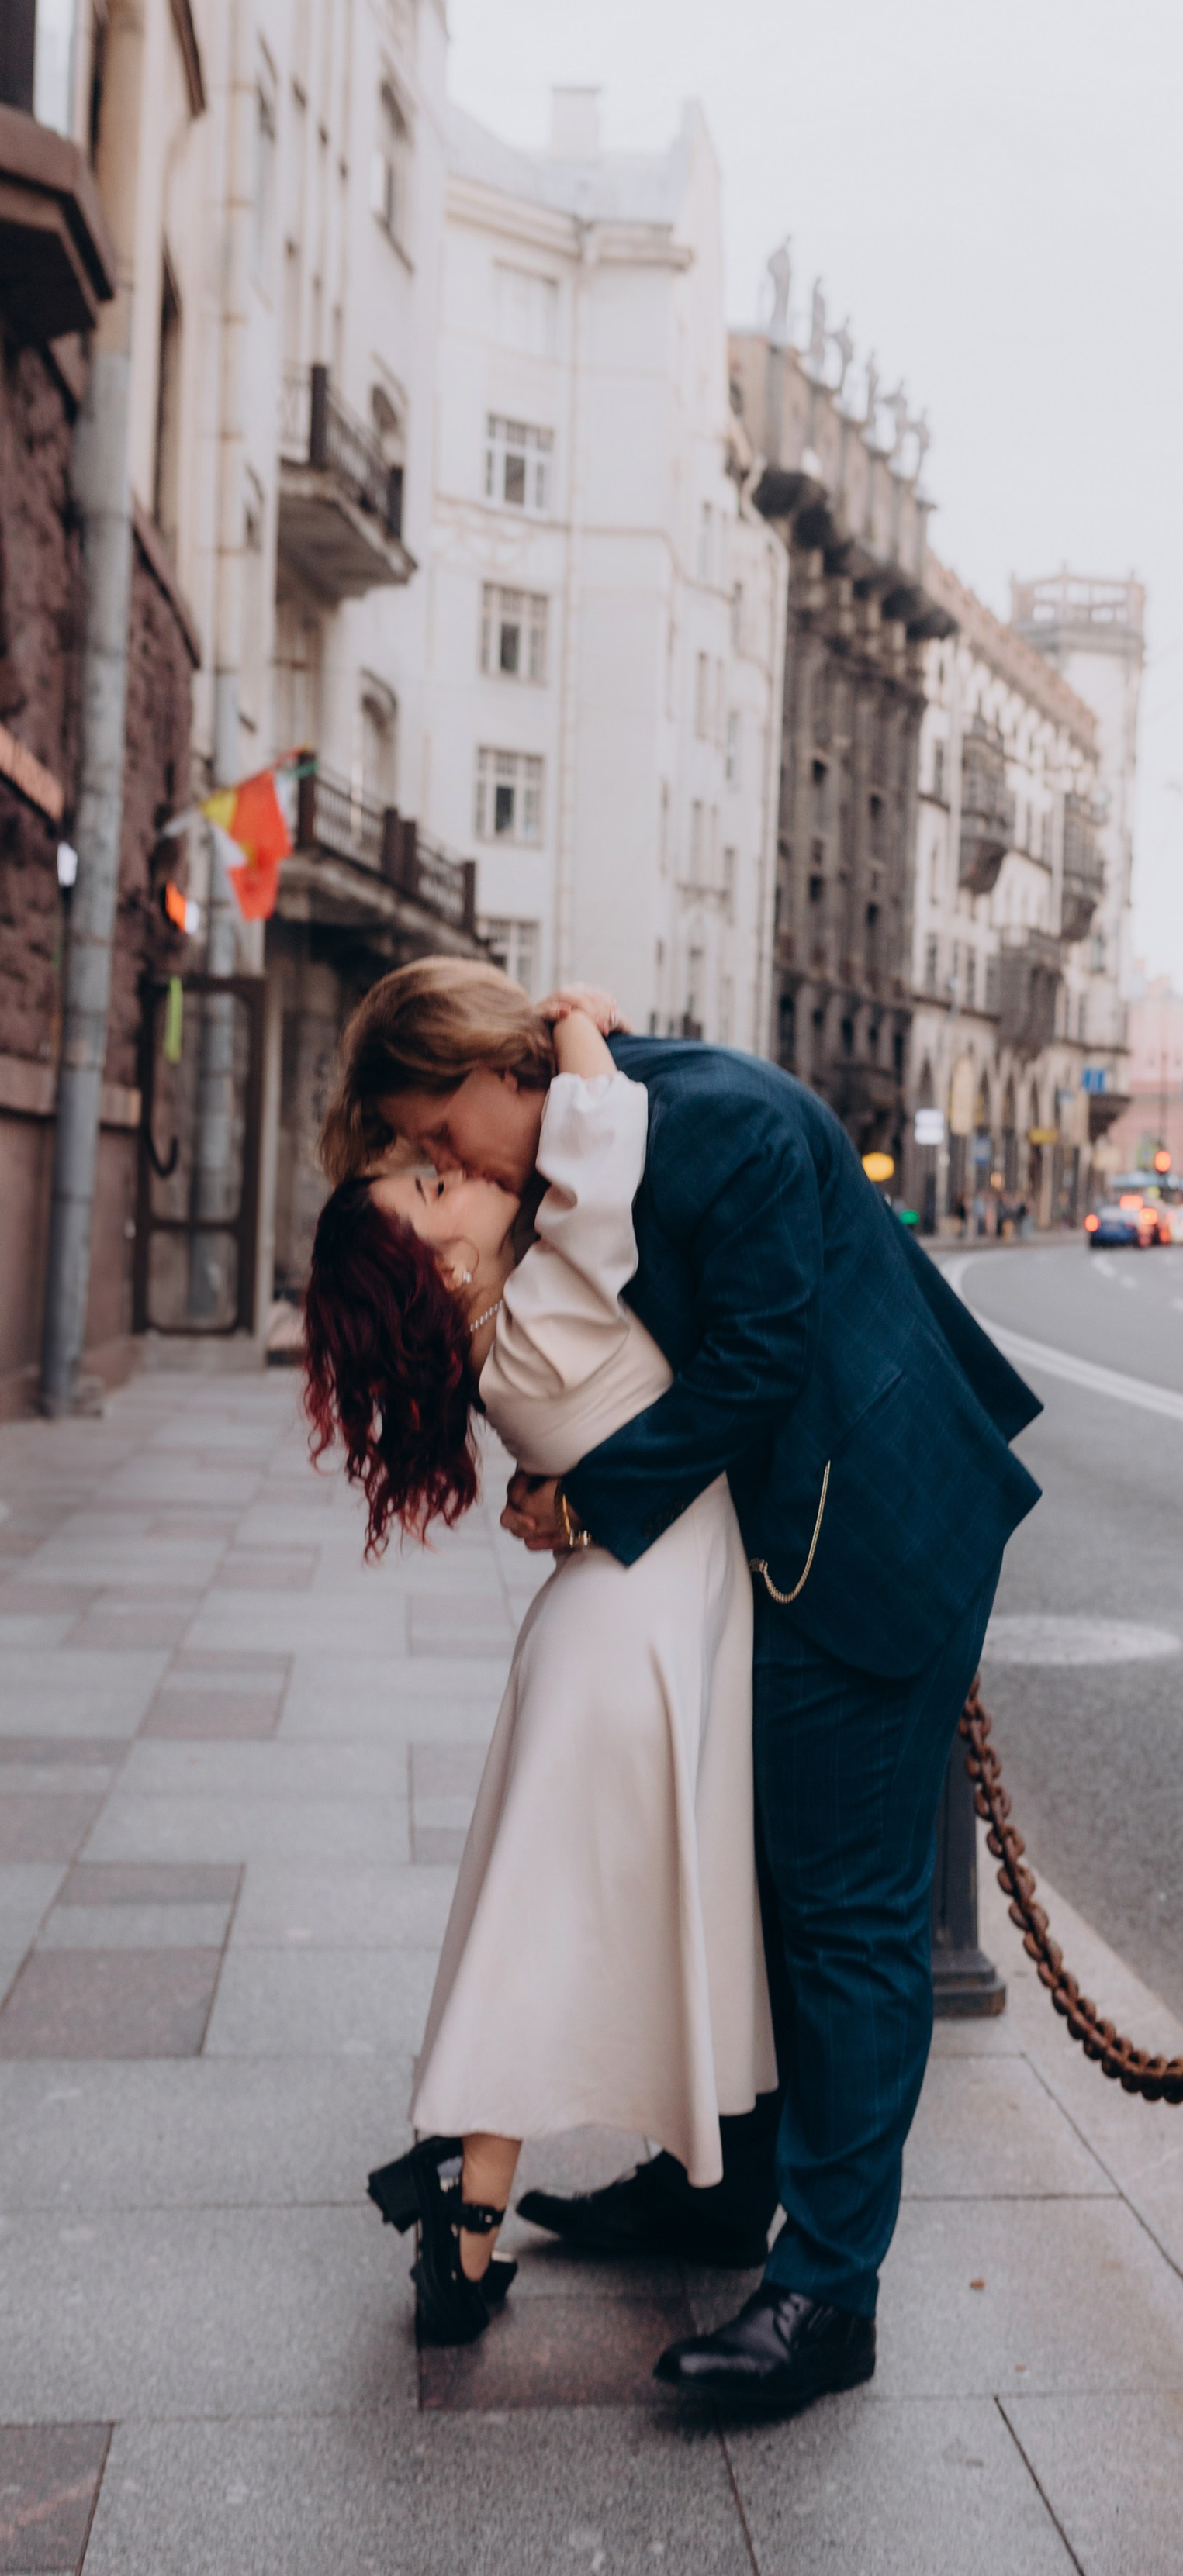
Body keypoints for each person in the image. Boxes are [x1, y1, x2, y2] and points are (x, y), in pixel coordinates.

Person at [318, 958, 1043, 2414]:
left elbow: (759, 1362)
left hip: (874, 1543)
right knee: (768, 1891)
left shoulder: (725, 1126)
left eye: (446, 1137)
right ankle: (725, 2194)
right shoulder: (599, 1131)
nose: (447, 1167)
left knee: (845, 1925)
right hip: (770, 1557)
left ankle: (831, 2297)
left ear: (491, 1070)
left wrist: (584, 1503)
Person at [303, 1008, 775, 2348]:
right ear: (432, 1271)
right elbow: (601, 1167)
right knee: (555, 1928)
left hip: (609, 1624)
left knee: (538, 1923)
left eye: (434, 1162)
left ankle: (467, 2224)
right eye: (430, 1186)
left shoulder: (497, 1349)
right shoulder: (543, 1311)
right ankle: (469, 2215)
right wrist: (573, 1030)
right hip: (637, 1628)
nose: (457, 1174)